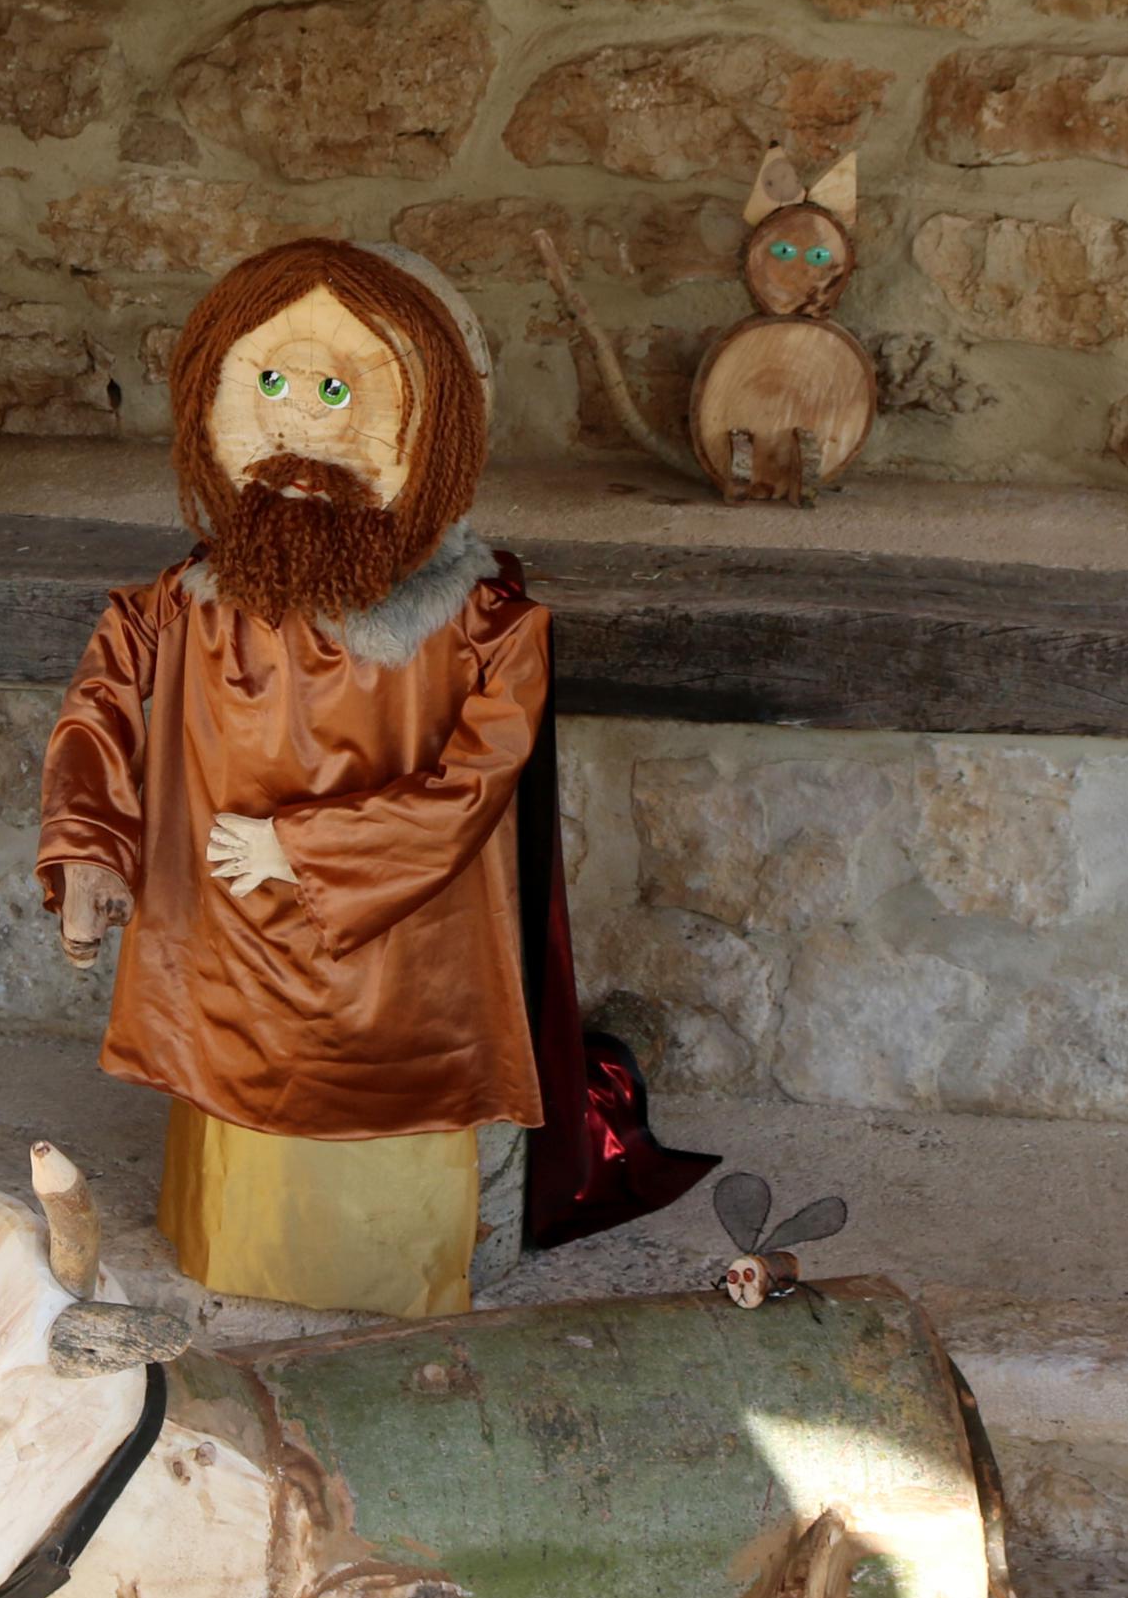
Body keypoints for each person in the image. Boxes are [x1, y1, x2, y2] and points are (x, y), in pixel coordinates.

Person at [40, 239, 706, 1318]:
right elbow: (99, 705)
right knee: (245, 1178)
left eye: (337, 388)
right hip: (230, 954)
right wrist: (86, 849)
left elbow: (471, 782)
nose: (301, 426)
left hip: (402, 973)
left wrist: (300, 848)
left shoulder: (486, 626)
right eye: (267, 382)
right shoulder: (186, 600)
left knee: (390, 1168)